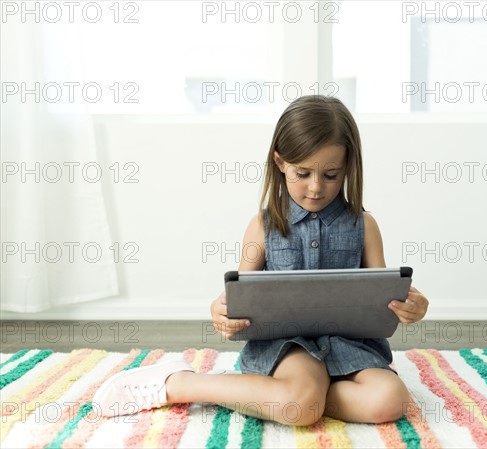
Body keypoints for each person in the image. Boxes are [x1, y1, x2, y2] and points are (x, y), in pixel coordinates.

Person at [93, 95, 429, 426]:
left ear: (347, 168)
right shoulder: (263, 226)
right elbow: (240, 297)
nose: (315, 187)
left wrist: (411, 305)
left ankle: (262, 393)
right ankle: (180, 383)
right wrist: (221, 312)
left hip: (350, 346)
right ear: (280, 162)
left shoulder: (364, 225)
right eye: (303, 173)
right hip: (287, 346)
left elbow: (381, 294)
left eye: (330, 175)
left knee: (389, 400)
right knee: (300, 404)